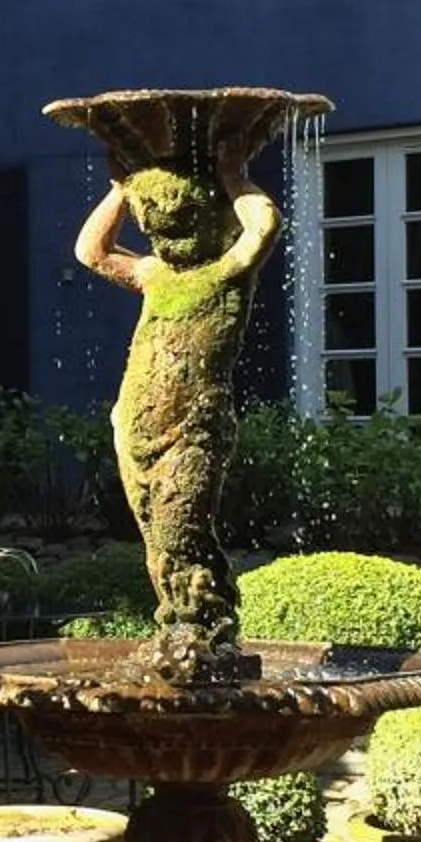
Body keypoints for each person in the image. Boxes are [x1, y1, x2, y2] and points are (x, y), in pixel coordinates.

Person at [73, 159, 279, 681]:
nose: (165, 227)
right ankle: (179, 626)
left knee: (179, 532)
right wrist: (121, 190)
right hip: (134, 431)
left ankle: (202, 632)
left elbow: (265, 225)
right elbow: (90, 252)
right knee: (156, 550)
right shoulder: (154, 275)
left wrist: (234, 173)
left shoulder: (227, 273)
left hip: (192, 432)